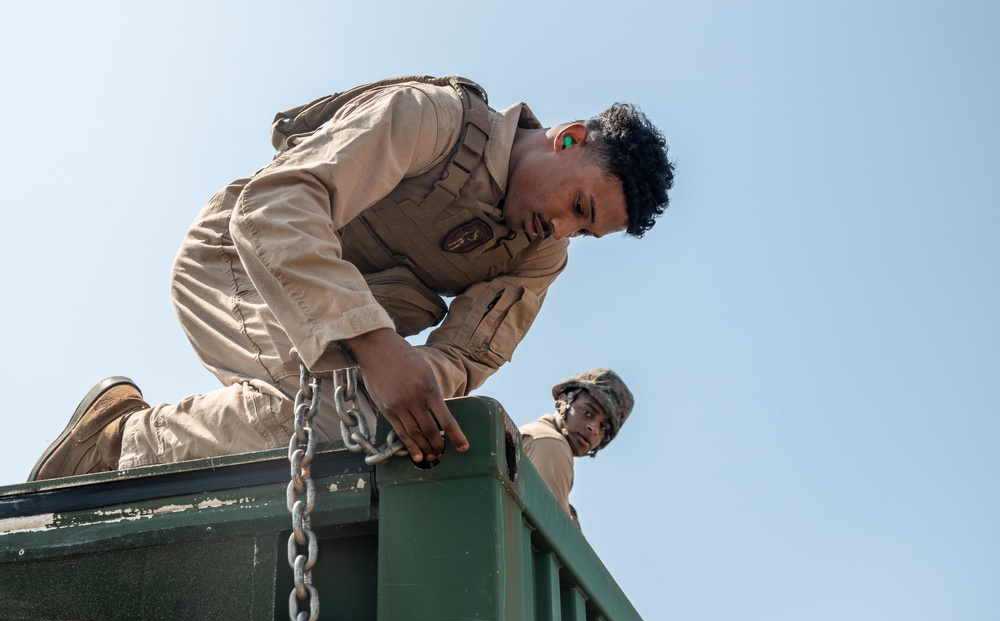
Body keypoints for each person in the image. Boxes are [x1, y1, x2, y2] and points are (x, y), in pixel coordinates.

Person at [29, 75, 673, 481]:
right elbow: (277, 206)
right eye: (578, 206)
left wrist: (407, 387)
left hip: (338, 332)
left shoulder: (539, 255)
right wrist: (373, 346)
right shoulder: (437, 119)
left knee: (380, 424)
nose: (561, 229)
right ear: (568, 141)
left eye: (582, 232)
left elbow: (468, 354)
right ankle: (125, 443)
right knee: (342, 414)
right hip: (240, 258)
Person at [520, 369, 634, 529]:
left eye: (603, 427)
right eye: (587, 412)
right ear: (563, 400)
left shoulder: (542, 438)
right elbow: (553, 533)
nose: (594, 429)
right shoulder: (552, 444)